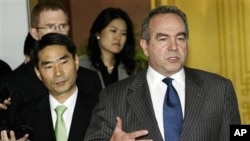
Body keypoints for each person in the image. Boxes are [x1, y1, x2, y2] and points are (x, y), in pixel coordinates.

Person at [84, 5, 241, 141]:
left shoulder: (220, 89)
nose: (174, 47)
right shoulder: (114, 96)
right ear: (145, 46)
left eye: (180, 38)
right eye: (163, 39)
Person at [0, 1, 101, 134]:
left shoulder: (89, 78)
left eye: (63, 26)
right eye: (50, 26)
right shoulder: (13, 84)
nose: (58, 32)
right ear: (34, 32)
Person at [79, 7, 136, 88]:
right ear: (98, 32)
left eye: (123, 33)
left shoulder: (129, 68)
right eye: (113, 31)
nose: (118, 37)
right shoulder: (81, 66)